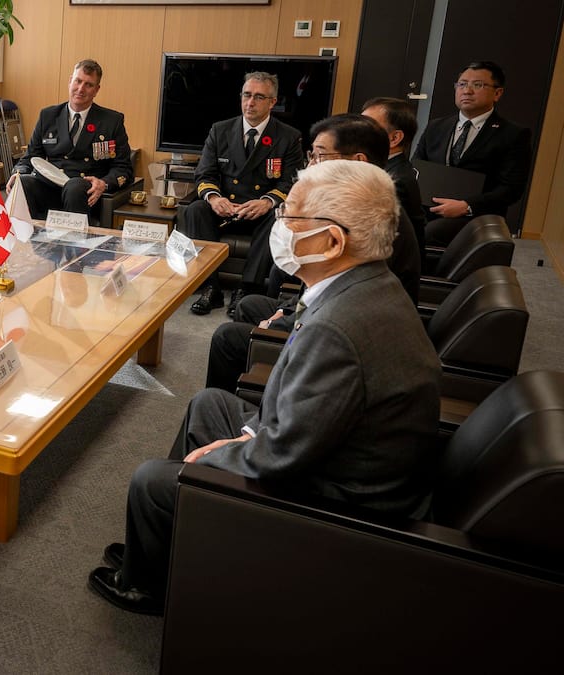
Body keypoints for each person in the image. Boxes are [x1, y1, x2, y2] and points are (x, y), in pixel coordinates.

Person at [89, 159, 441, 615]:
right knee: (209, 405)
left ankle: (146, 585)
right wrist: (248, 433)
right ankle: (170, 542)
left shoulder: (339, 327)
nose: (281, 227)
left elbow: (284, 455)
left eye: (291, 217)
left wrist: (222, 454)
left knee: (153, 479)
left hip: (337, 502)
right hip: (324, 449)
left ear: (333, 241)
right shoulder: (364, 284)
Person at [204, 113, 423, 393]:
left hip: (335, 334)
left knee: (226, 339)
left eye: (320, 156)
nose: (311, 165)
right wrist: (285, 312)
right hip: (328, 312)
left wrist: (284, 319)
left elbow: (338, 299)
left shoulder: (368, 220)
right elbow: (328, 284)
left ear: (357, 162)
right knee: (250, 306)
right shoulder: (356, 204)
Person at [178, 71, 304, 317]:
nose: (250, 102)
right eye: (247, 95)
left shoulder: (288, 137)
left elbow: (292, 182)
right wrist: (214, 198)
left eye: (259, 97)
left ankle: (247, 288)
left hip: (259, 212)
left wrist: (267, 202)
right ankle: (210, 287)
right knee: (195, 209)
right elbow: (205, 174)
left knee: (278, 217)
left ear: (272, 102)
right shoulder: (220, 130)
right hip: (225, 208)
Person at [412, 61, 532, 246]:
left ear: (497, 93)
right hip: (427, 206)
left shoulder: (513, 134)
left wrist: (466, 206)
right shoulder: (436, 126)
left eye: (477, 85)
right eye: (462, 84)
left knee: (427, 234)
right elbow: (417, 168)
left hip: (474, 215)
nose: (467, 91)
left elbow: (511, 189)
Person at [9, 59, 132, 222]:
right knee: (23, 183)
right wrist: (19, 173)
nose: (81, 89)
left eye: (88, 85)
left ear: (96, 90)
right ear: (70, 81)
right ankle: (27, 242)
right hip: (50, 188)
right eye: (78, 81)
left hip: (85, 193)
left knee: (74, 187)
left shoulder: (111, 121)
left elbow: (123, 168)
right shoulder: (48, 116)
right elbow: (30, 157)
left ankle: (75, 246)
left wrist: (103, 183)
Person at [362, 96, 427, 259]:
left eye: (367, 127)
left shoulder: (393, 182)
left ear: (394, 138)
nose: (356, 132)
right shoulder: (388, 168)